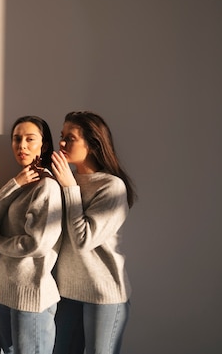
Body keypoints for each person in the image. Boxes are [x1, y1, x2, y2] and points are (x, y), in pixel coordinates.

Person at [50, 111, 137, 354]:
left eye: (71, 138)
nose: (62, 143)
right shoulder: (63, 180)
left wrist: (70, 188)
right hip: (66, 290)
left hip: (104, 294)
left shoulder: (111, 187)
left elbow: (82, 239)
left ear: (93, 144)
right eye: (61, 136)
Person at [0, 115, 63, 354]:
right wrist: (14, 184)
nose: (21, 145)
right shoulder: (21, 184)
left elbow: (38, 243)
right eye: (16, 139)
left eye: (30, 139)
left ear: (44, 145)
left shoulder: (47, 186)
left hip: (32, 295)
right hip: (6, 291)